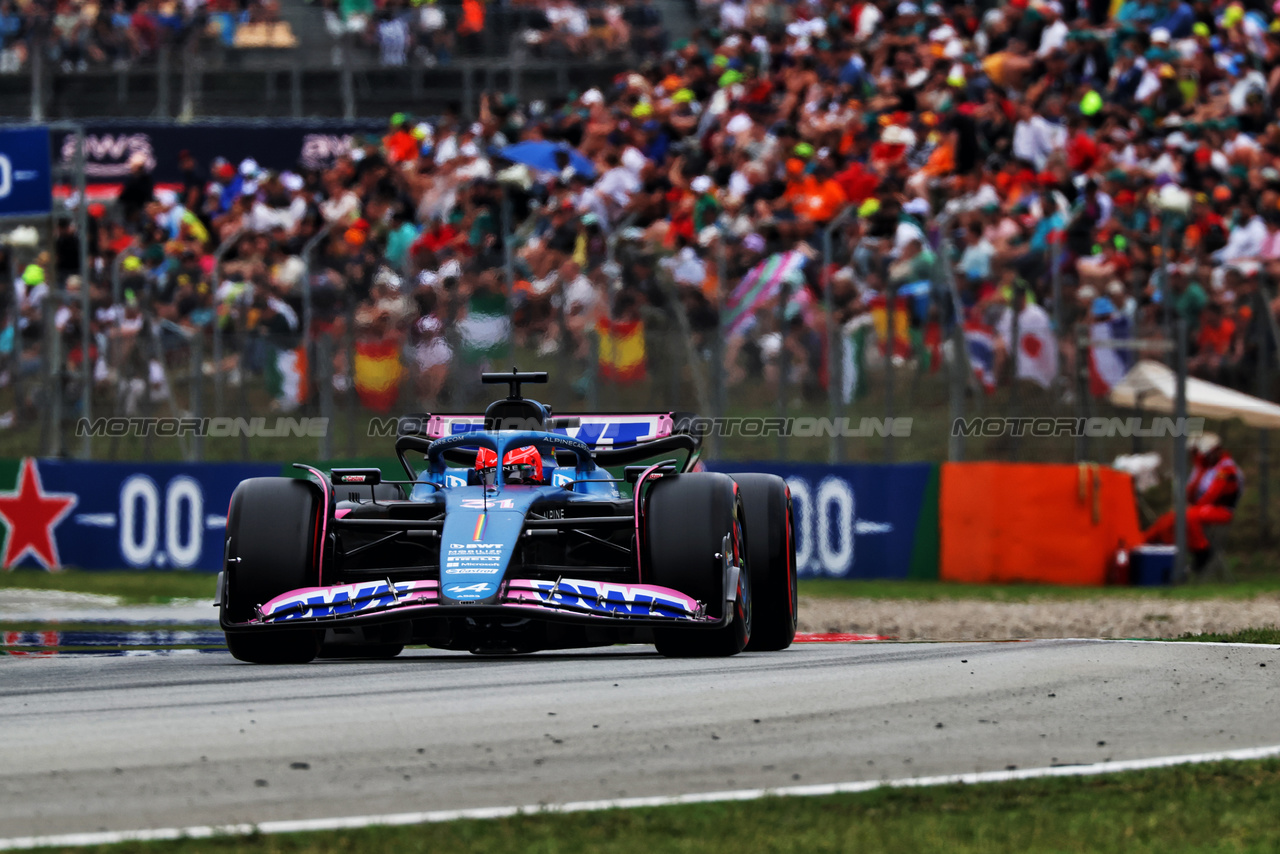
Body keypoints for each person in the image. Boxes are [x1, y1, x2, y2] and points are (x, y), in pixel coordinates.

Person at [1144, 433, 1243, 570]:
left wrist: (1191, 507)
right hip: (1200, 509)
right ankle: (1150, 546)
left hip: (1222, 510)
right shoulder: (1202, 468)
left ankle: (1202, 552)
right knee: (1166, 520)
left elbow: (1212, 496)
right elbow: (1190, 493)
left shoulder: (1226, 469)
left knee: (1189, 515)